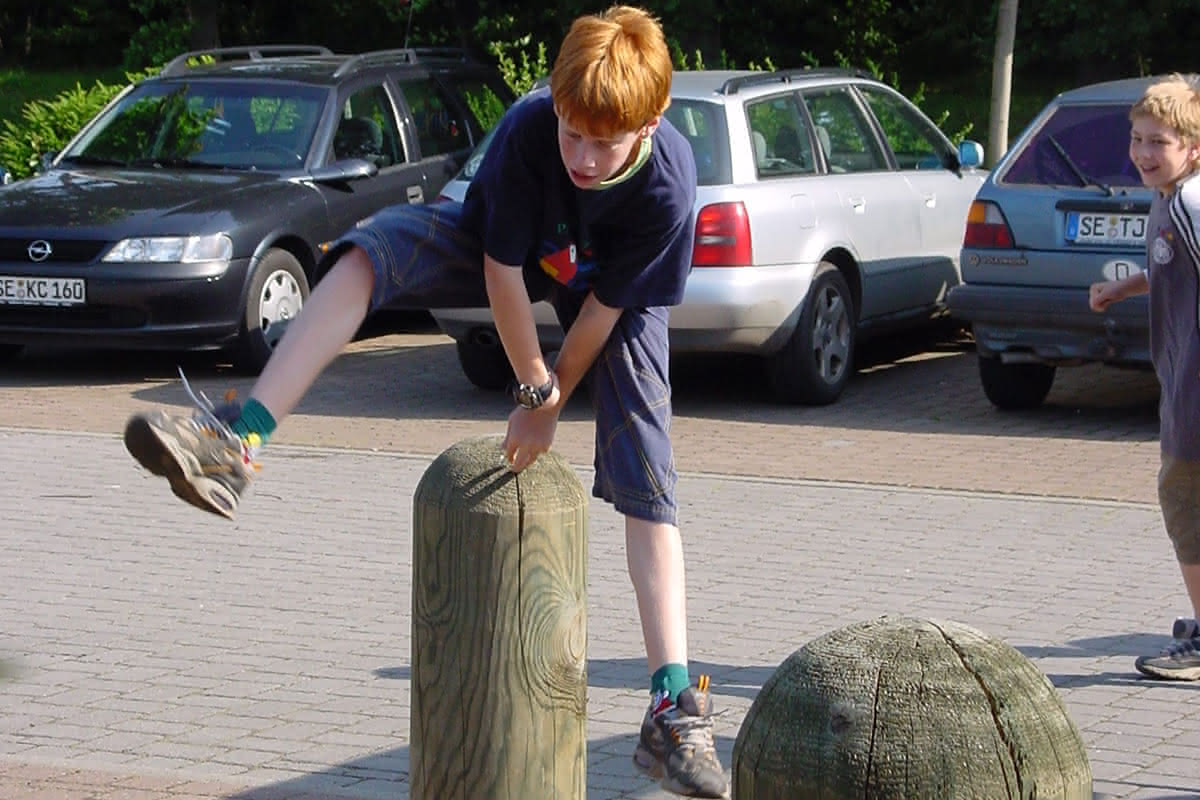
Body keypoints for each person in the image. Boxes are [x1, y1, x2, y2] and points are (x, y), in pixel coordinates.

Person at [122, 5, 727, 796]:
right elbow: (502, 275)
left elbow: (605, 315)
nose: (579, 155)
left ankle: (670, 702)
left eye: (600, 142)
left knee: (650, 473)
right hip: (497, 248)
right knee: (370, 252)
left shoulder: (670, 181)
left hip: (612, 295)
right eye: (570, 133)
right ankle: (239, 442)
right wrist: (530, 387)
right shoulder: (526, 132)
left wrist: (552, 403)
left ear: (647, 124)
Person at [1089, 73, 1200, 681]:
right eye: (1137, 139)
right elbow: (1169, 267)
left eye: (1159, 141)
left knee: (1182, 497)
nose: (1143, 153)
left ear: (1192, 149)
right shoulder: (1168, 200)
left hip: (1197, 388)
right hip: (1182, 377)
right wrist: (1120, 287)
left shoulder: (1189, 203)